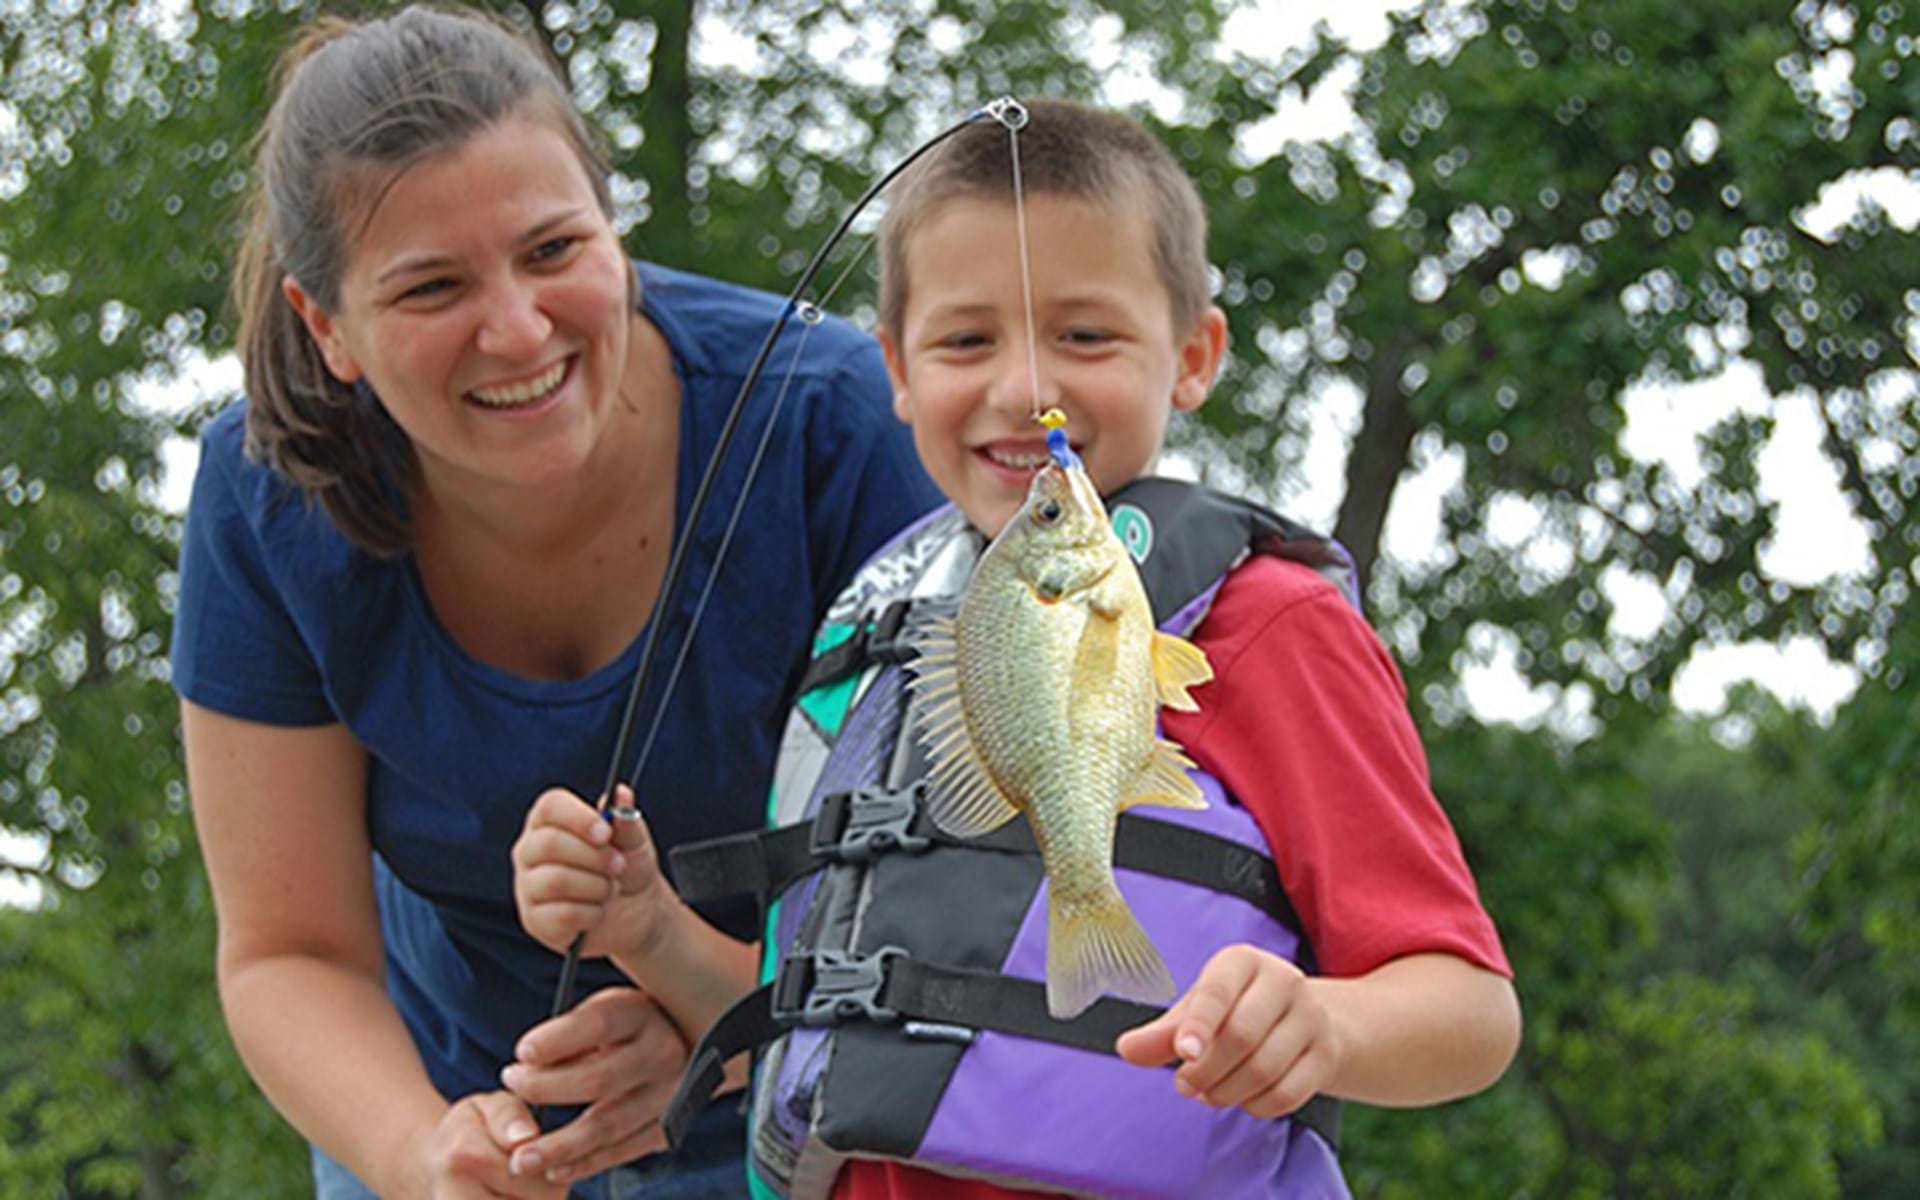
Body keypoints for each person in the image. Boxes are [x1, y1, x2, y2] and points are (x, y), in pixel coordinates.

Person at [513, 99, 1520, 1198]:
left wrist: (1322, 1022)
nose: (1025, 388)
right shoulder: (884, 642)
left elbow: (1469, 1012)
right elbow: (825, 1025)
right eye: (964, 340)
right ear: (895, 368)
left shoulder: (1266, 624)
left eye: (1086, 335)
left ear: (1193, 355)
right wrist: (648, 926)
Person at [170, 5, 941, 1198]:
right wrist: (425, 1154)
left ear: (613, 224)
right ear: (326, 328)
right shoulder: (265, 495)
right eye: (430, 287)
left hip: (813, 1090)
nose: (517, 329)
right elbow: (289, 952)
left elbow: (953, 900)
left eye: (552, 250)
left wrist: (709, 1037)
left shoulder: (834, 425)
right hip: (441, 1104)